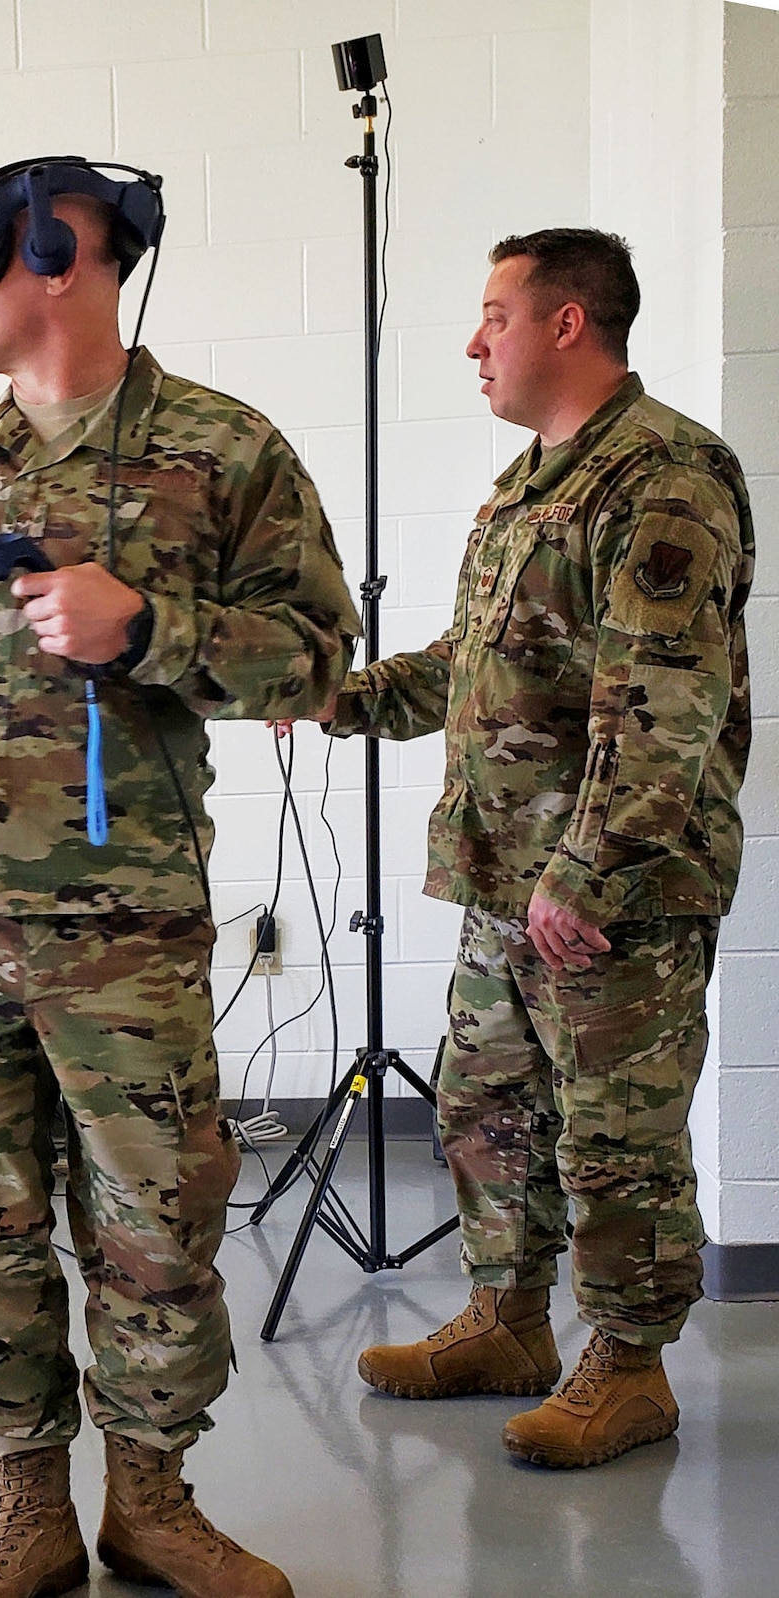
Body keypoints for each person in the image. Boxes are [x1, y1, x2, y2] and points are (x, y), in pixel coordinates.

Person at [0, 159, 357, 1598]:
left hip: (125, 939)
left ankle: (155, 1502)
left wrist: (149, 625)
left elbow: (316, 659)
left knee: (155, 1224)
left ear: (62, 253)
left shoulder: (223, 452)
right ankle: (26, 1508)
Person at [314, 228, 753, 1469]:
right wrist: (338, 696)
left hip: (607, 891)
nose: (472, 340)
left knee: (614, 1132)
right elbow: (474, 666)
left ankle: (628, 1367)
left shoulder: (661, 476)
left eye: (493, 315)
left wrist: (586, 869)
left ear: (568, 324)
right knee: (486, 1106)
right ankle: (507, 1321)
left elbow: (661, 697)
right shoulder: (525, 486)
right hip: (503, 876)